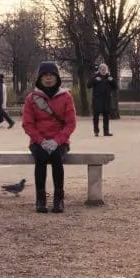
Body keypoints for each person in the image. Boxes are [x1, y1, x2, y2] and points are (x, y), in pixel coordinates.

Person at [22, 61, 77, 213]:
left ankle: (59, 199)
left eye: (51, 75)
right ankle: (40, 199)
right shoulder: (31, 98)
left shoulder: (66, 97)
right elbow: (28, 124)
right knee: (40, 158)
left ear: (57, 77)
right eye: (45, 75)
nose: (48, 78)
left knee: (56, 157)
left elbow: (70, 123)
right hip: (38, 141)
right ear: (39, 78)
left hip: (59, 141)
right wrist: (41, 141)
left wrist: (57, 141)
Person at [86, 63, 117, 136]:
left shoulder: (109, 77)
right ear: (99, 70)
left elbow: (115, 87)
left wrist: (112, 81)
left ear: (107, 70)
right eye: (102, 69)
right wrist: (95, 80)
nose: (103, 70)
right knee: (96, 117)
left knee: (106, 117)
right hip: (97, 100)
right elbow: (88, 85)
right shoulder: (96, 77)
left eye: (104, 69)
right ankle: (96, 131)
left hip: (106, 100)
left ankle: (106, 132)